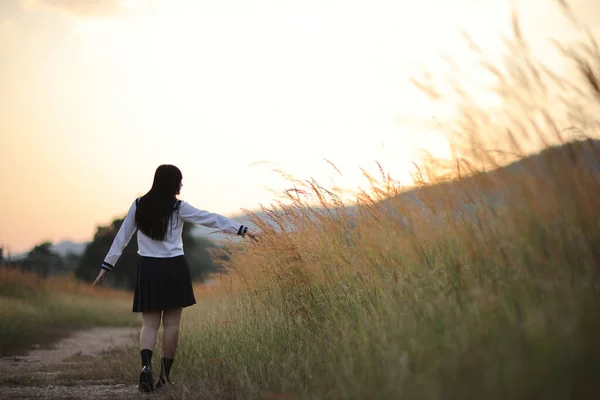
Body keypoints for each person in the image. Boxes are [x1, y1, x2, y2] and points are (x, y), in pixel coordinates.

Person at [92, 164, 260, 392]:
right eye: (180, 181)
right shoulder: (178, 207)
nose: (181, 185)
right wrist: (243, 230)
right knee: (171, 324)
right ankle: (164, 376)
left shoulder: (139, 205)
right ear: (173, 183)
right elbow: (209, 219)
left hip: (149, 268)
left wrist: (107, 266)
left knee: (149, 325)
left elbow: (122, 237)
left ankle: (144, 370)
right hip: (174, 268)